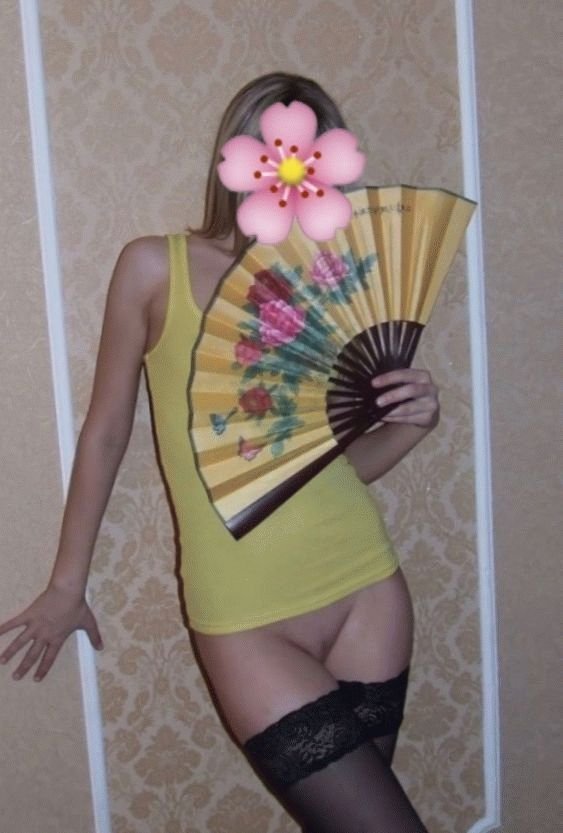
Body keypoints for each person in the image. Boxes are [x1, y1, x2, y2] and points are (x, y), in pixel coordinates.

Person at [0, 73, 439, 832]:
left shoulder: (335, 290)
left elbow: (325, 471)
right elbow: (107, 431)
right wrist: (67, 583)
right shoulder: (155, 266)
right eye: (278, 149)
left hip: (365, 585)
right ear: (239, 158)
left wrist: (411, 425)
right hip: (245, 614)